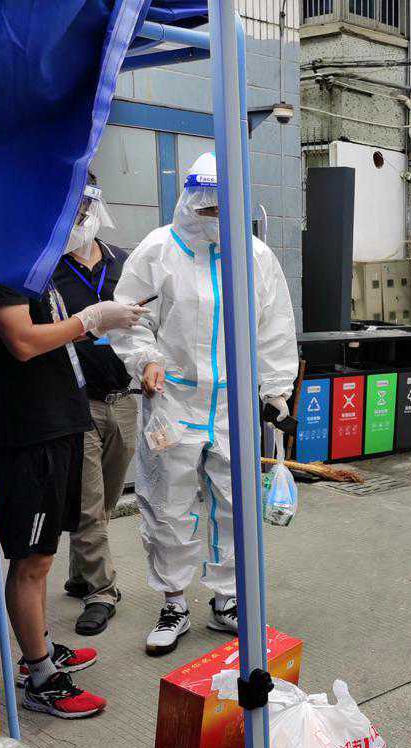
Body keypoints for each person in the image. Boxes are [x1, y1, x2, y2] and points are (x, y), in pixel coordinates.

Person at [111, 153, 299, 656]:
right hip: (171, 399)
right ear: (189, 202)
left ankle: (227, 599)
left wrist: (275, 390)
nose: (215, 218)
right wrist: (145, 360)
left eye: (223, 209)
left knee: (233, 502)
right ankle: (173, 602)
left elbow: (274, 326)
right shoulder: (157, 250)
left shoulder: (254, 256)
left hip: (231, 403)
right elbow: (128, 317)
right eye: (207, 209)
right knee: (167, 504)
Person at [0, 213, 148, 718]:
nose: (81, 218)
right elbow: (24, 341)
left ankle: (40, 648)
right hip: (30, 430)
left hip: (60, 417)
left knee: (44, 553)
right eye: (74, 208)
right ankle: (41, 676)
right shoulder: (0, 258)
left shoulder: (35, 261)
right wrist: (90, 320)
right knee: (32, 560)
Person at [50, 175, 137, 637]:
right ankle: (102, 591)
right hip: (75, 401)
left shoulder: (124, 261)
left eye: (85, 207)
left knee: (104, 500)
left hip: (124, 399)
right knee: (87, 503)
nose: (80, 216)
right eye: (72, 207)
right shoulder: (47, 268)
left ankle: (80, 572)